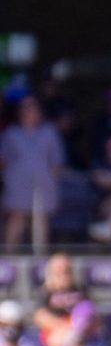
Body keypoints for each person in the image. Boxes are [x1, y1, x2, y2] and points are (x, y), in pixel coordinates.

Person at [0, 97, 64, 249]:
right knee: (17, 218)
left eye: (34, 108)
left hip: (43, 184)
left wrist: (51, 177)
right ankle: (8, 258)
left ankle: (41, 259)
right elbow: (3, 159)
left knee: (41, 220)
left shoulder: (49, 132)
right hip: (17, 184)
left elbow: (57, 160)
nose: (31, 112)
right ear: (20, 112)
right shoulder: (11, 133)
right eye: (27, 108)